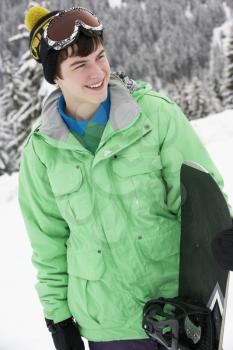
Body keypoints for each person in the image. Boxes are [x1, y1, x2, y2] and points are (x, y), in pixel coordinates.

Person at [18, 5, 233, 350]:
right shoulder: (42, 153)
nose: (97, 72)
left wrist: (221, 235)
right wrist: (58, 321)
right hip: (108, 326)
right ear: (55, 77)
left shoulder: (153, 116)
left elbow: (202, 195)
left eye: (100, 57)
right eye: (79, 64)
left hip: (178, 314)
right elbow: (49, 247)